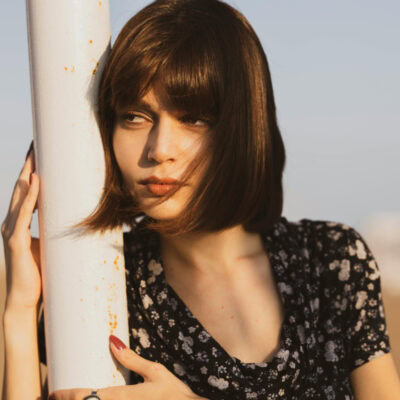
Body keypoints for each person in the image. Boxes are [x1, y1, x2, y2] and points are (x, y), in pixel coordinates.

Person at [2, 0, 400, 399]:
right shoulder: (102, 282)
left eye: (192, 118)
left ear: (242, 126)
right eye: (135, 117)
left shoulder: (332, 261)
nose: (159, 149)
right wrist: (20, 311)